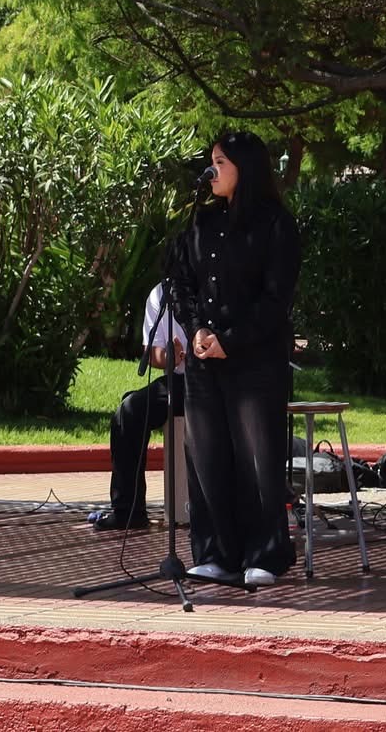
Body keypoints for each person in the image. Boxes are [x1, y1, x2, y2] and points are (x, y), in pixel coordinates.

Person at [168, 131, 299, 587]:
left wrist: (232, 339)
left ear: (245, 168)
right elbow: (182, 284)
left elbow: (274, 298)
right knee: (206, 454)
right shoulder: (199, 223)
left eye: (221, 163)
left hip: (255, 361)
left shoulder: (276, 224)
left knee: (257, 458)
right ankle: (215, 552)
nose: (212, 171)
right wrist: (197, 331)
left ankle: (266, 553)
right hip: (206, 361)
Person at [88, 278, 212, 545]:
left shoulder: (217, 282)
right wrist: (168, 357)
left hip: (220, 379)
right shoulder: (162, 293)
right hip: (180, 380)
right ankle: (128, 511)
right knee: (129, 410)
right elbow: (151, 351)